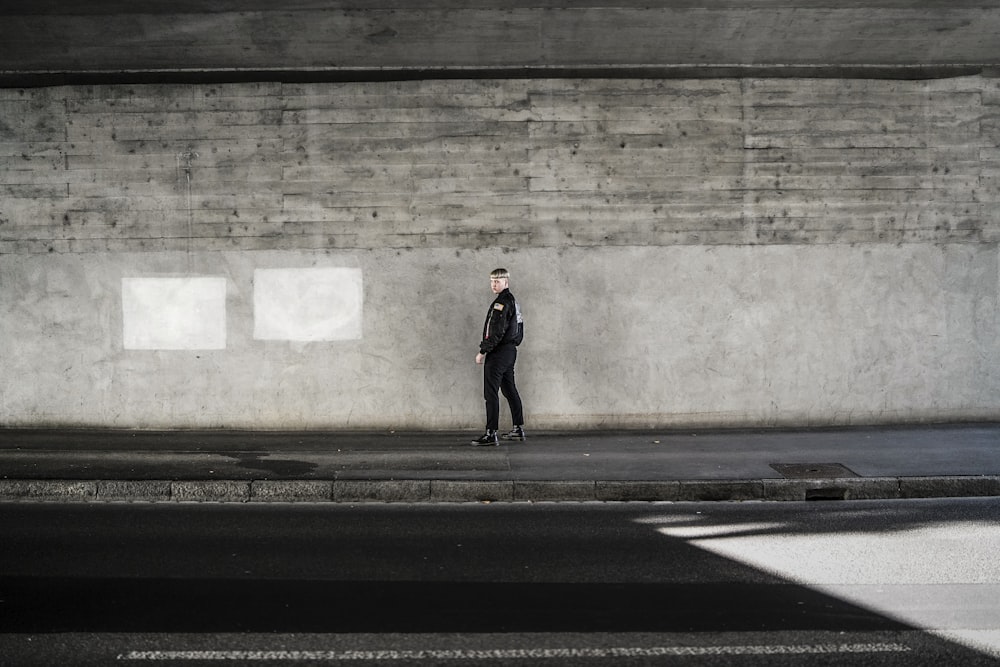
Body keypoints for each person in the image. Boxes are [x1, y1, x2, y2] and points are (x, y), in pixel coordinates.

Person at [471, 268, 526, 446]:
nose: (494, 284)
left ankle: (490, 433)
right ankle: (518, 428)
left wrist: (483, 351)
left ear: (506, 282)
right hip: (510, 352)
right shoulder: (513, 302)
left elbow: (495, 331)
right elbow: (519, 329)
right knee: (509, 390)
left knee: (491, 393)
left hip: (499, 352)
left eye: (498, 281)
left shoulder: (501, 303)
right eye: (492, 281)